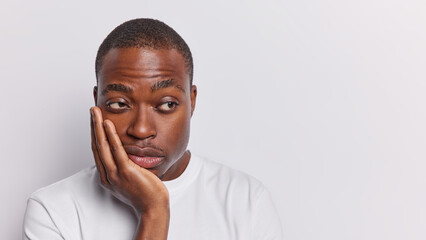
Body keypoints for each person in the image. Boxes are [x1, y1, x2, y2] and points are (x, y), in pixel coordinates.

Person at [23, 18, 283, 240]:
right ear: (97, 103)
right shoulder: (53, 210)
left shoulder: (247, 201)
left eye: (167, 104)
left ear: (191, 101)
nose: (141, 129)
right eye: (119, 104)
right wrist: (154, 212)